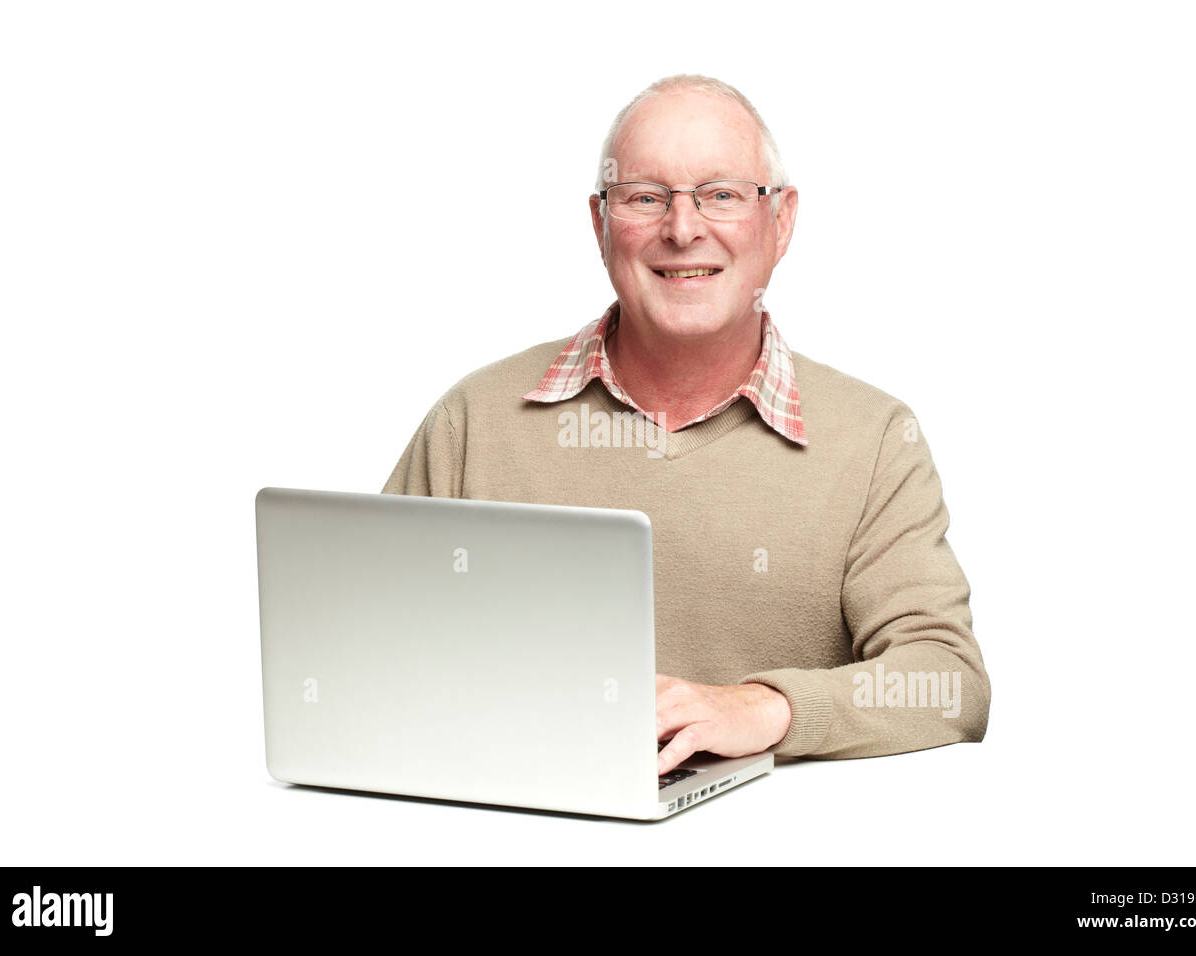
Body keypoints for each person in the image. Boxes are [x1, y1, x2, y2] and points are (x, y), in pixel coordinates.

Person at [382, 74, 990, 775]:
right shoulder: (474, 421)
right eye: (645, 198)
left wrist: (763, 708)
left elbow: (949, 682)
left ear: (782, 221)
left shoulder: (875, 439)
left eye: (721, 195)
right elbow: (363, 646)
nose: (681, 228)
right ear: (600, 222)